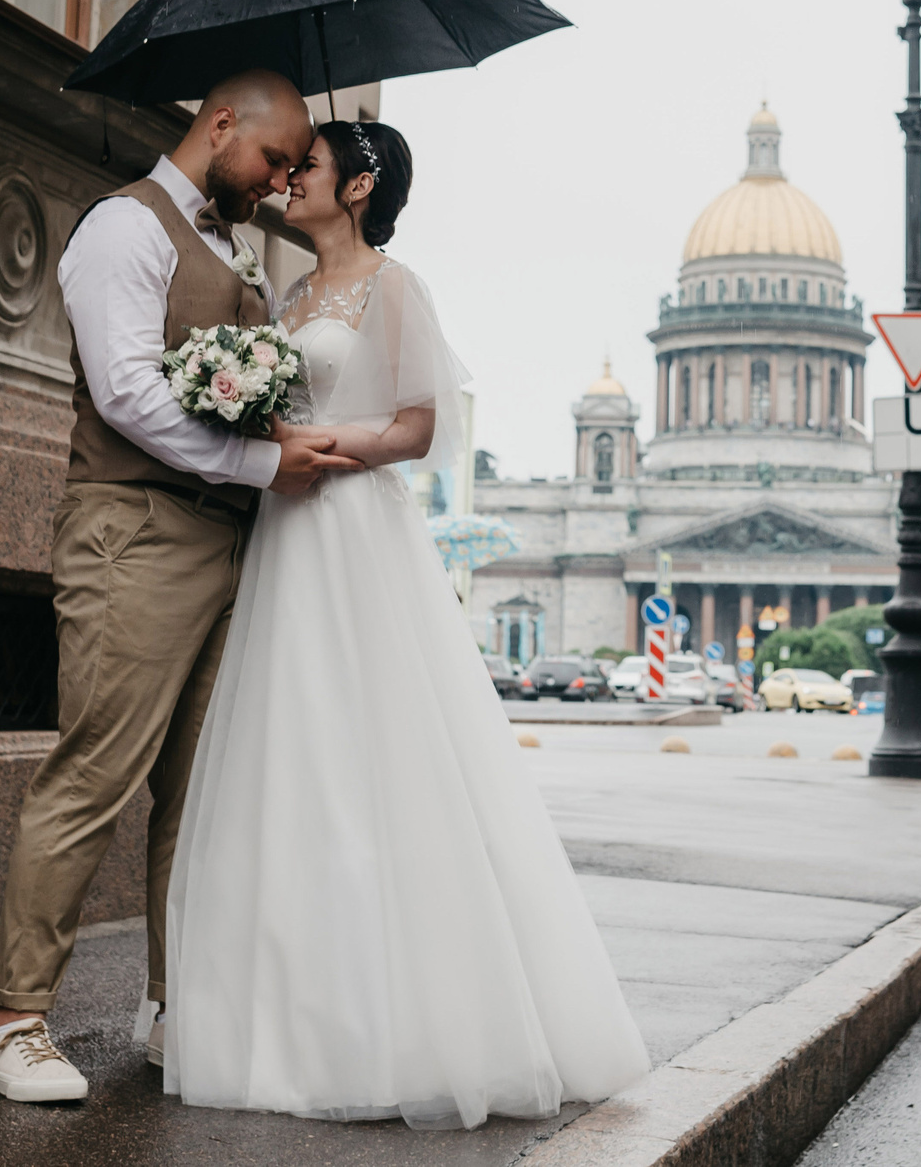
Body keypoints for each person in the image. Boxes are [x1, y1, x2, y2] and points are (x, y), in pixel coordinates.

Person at [162, 119, 649, 1128]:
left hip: (350, 531)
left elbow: (420, 428)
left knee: (367, 758)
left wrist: (315, 440)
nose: (288, 180)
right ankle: (280, 1018)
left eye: (308, 168)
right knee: (282, 757)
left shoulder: (393, 287)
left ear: (359, 186)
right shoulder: (288, 296)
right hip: (285, 532)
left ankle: (391, 1026)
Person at [0, 71, 362, 1102]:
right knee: (94, 775)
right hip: (133, 535)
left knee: (199, 800)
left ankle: (171, 1007)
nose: (280, 182)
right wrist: (261, 464)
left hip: (226, 543)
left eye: (294, 171)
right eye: (274, 161)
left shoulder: (227, 240)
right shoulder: (124, 228)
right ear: (220, 125)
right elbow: (127, 390)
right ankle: (15, 1023)